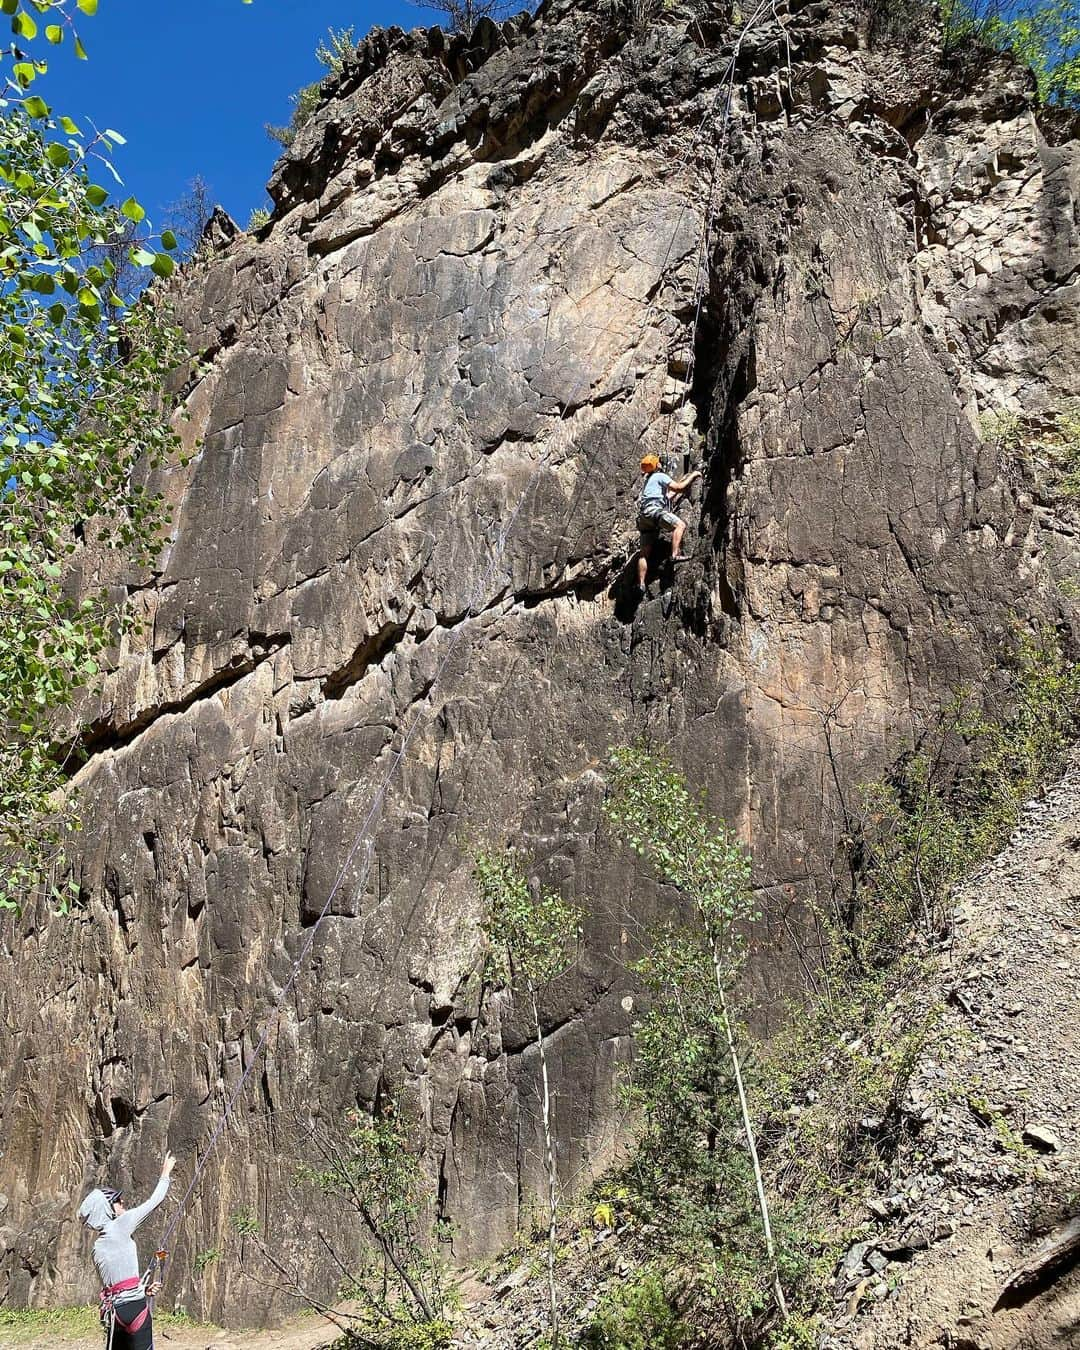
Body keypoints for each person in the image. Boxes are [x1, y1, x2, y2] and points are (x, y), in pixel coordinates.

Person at [78, 1152, 175, 1350]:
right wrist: (165, 1173)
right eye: (117, 1201)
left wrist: (144, 1290)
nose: (122, 1203)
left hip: (115, 1315)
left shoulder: (96, 1248)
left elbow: (116, 1285)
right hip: (136, 1310)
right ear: (107, 1208)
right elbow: (153, 1202)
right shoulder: (121, 1225)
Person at [636, 453, 702, 592]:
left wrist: (681, 483)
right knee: (680, 525)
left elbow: (668, 496)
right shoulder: (660, 476)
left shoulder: (648, 481)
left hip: (644, 517)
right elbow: (679, 488)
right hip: (655, 512)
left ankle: (641, 583)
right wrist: (693, 475)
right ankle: (674, 555)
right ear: (657, 465)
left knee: (644, 553)